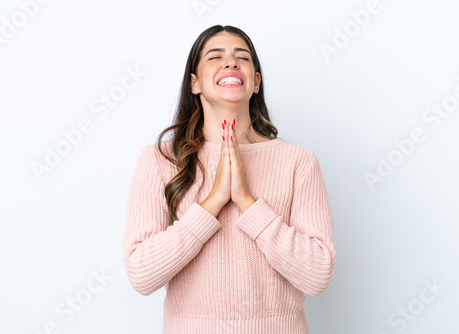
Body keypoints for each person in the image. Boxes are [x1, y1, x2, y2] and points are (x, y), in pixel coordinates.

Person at [123, 24, 336, 334]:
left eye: (242, 57)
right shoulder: (160, 160)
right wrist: (213, 202)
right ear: (194, 83)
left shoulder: (298, 162)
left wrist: (248, 203)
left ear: (256, 82)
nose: (231, 63)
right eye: (215, 56)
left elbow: (317, 275)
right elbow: (142, 275)